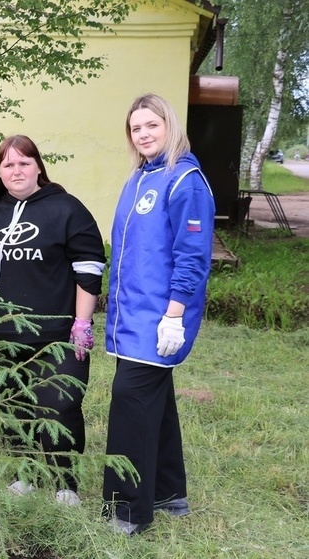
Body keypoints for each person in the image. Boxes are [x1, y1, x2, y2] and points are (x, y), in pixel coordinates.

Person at [0, 135, 106, 505]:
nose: (16, 170)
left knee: (61, 405)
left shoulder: (67, 209)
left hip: (57, 332)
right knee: (12, 407)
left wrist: (82, 323)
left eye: (24, 162)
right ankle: (25, 473)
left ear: (38, 166)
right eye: (8, 165)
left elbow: (89, 266)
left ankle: (64, 484)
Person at [103, 93, 215, 535]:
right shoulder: (140, 178)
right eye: (136, 128)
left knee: (130, 401)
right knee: (156, 400)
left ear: (169, 126)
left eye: (152, 125)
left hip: (159, 317)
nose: (144, 134)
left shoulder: (184, 181)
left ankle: (127, 510)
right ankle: (170, 492)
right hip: (131, 316)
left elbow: (192, 256)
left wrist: (174, 315)